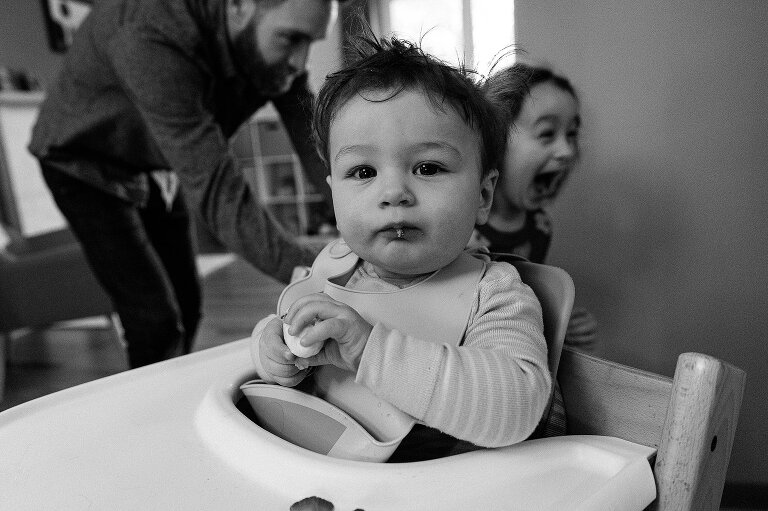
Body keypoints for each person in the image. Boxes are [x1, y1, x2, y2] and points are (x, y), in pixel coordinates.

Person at [250, 34, 552, 461]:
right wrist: (272, 349)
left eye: (428, 167)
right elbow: (279, 327)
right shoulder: (331, 270)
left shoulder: (494, 294)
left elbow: (517, 406)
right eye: (363, 171)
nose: (394, 192)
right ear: (333, 193)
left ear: (483, 196)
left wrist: (369, 349)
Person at [29, 0, 342, 368]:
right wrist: (318, 276)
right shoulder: (152, 31)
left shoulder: (276, 58)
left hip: (157, 159)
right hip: (82, 163)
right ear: (239, 7)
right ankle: (151, 418)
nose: (300, 62)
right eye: (290, 39)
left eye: (311, 43)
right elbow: (219, 193)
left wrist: (359, 218)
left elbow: (315, 146)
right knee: (155, 319)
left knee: (189, 304)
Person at [478, 62, 598, 352]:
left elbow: (526, 302)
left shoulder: (540, 227)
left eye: (571, 134)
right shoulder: (459, 229)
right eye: (547, 133)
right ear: (495, 139)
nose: (568, 150)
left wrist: (561, 321)